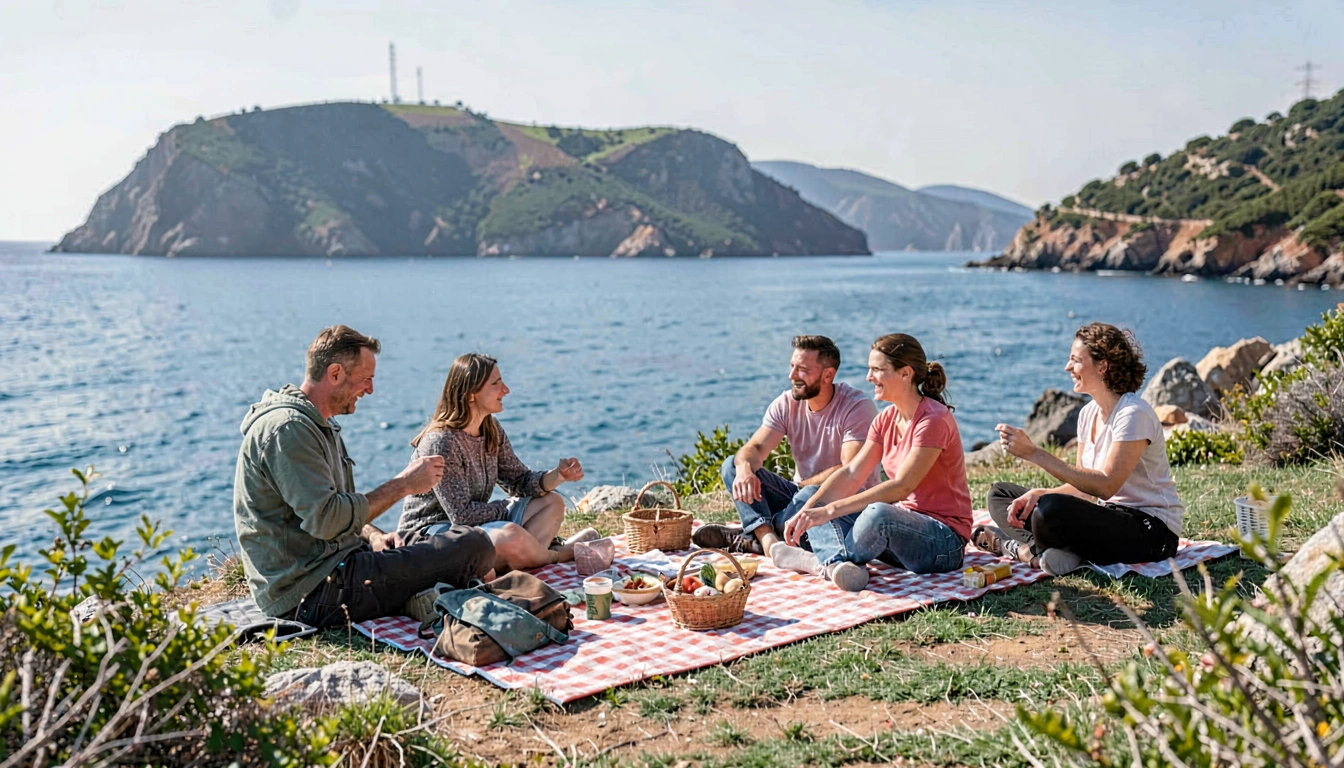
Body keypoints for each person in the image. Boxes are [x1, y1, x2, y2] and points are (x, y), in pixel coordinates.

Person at [234, 325, 497, 628]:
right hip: (310, 593)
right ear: (335, 373)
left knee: (457, 540)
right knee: (474, 547)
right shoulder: (289, 430)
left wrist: (373, 535)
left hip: (338, 561)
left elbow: (334, 508)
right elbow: (328, 520)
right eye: (365, 379)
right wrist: (404, 485)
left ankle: (418, 594)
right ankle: (420, 595)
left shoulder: (314, 424)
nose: (370, 390)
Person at [976, 323, 1182, 576]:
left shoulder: (1133, 413)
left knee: (1049, 510)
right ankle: (1045, 553)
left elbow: (1106, 486)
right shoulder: (1087, 414)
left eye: (1075, 360)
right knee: (1001, 494)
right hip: (1107, 517)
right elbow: (1084, 489)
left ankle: (1027, 550)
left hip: (1152, 531)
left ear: (1102, 366)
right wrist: (1040, 492)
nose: (1067, 367)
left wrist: (1034, 453)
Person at [772, 333, 972, 591]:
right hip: (900, 532)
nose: (869, 377)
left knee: (877, 514)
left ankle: (820, 560)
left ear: (905, 374)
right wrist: (808, 511)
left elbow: (901, 487)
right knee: (814, 495)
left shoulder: (932, 420)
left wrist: (829, 512)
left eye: (877, 370)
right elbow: (852, 473)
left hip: (943, 542)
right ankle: (838, 567)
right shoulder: (885, 419)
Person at [399, 353, 597, 571]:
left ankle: (522, 561)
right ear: (471, 394)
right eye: (496, 384)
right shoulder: (442, 443)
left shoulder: (490, 429)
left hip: (472, 529)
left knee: (552, 503)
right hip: (430, 537)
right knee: (510, 535)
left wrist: (558, 475)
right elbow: (462, 516)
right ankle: (561, 554)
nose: (506, 390)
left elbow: (519, 481)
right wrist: (506, 509)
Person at [693, 335, 878, 558]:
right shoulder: (786, 403)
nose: (792, 376)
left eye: (802, 370)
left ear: (828, 375)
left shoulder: (856, 407)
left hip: (843, 505)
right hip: (798, 496)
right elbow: (755, 447)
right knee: (733, 464)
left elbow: (850, 470)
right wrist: (744, 470)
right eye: (792, 367)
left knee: (806, 496)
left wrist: (802, 487)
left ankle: (756, 537)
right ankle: (769, 541)